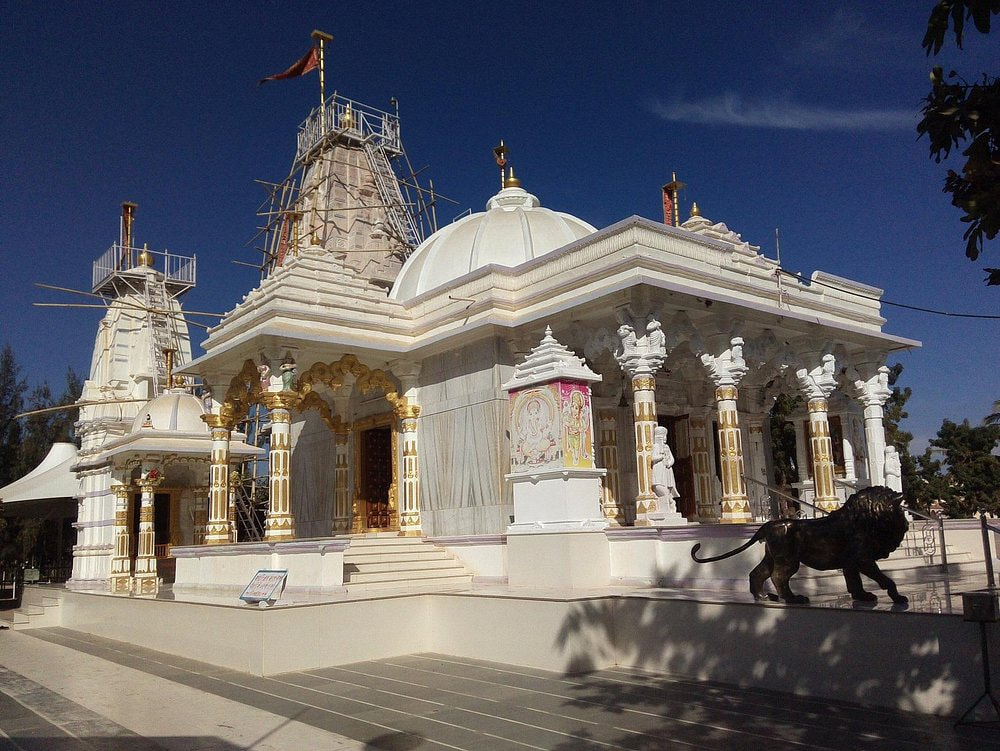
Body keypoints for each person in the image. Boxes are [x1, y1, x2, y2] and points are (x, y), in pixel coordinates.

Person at [651, 425, 680, 513]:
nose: (665, 438)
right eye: (663, 437)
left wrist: (669, 463)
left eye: (665, 436)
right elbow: (653, 458)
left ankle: (670, 505)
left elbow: (672, 458)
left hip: (667, 469)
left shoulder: (667, 447)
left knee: (667, 487)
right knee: (659, 486)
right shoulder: (656, 446)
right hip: (658, 468)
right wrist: (661, 456)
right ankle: (668, 504)